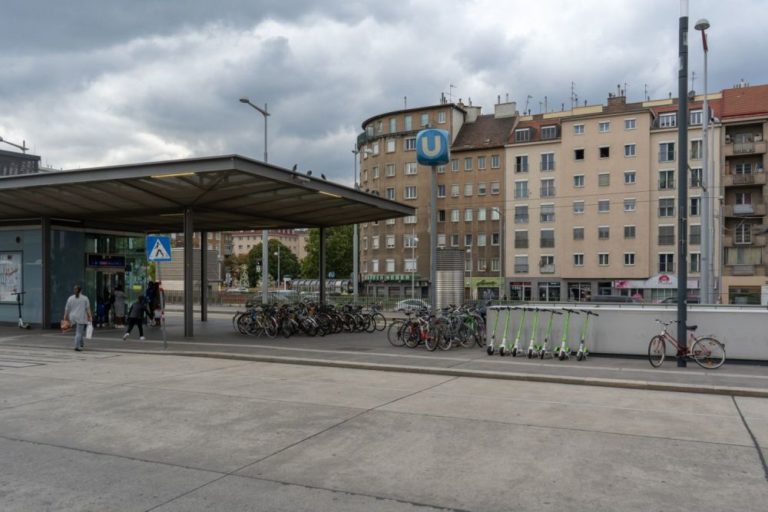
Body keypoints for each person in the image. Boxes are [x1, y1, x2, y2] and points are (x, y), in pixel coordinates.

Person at [63, 285, 92, 351]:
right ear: (81, 291)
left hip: (72, 317)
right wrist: (90, 316)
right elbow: (88, 309)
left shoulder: (70, 298)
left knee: (79, 331)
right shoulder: (85, 298)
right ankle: (77, 346)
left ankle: (81, 343)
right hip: (81, 317)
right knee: (79, 332)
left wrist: (65, 316)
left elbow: (67, 308)